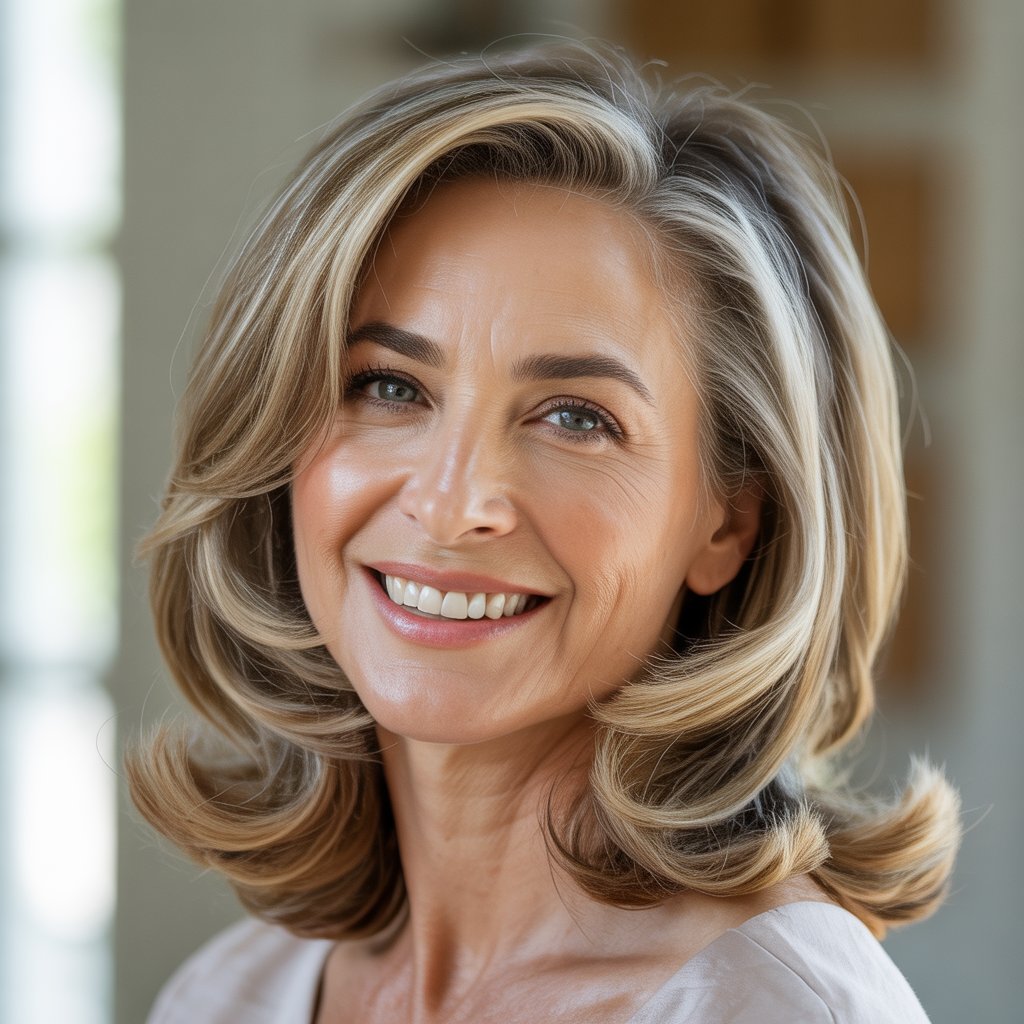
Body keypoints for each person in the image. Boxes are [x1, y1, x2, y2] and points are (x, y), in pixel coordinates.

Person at [129, 40, 961, 1023]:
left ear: (728, 523)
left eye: (575, 416)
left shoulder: (776, 1007)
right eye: (389, 387)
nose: (448, 503)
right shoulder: (228, 994)